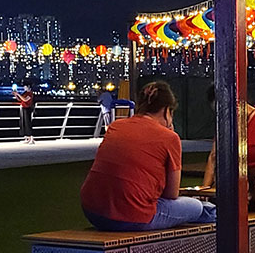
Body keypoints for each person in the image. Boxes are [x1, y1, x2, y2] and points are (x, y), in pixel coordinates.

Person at [80, 79, 214, 231]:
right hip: (131, 216)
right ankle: (224, 219)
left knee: (191, 207)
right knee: (196, 207)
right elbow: (171, 194)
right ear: (166, 111)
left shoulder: (115, 126)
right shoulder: (169, 137)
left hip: (93, 211)